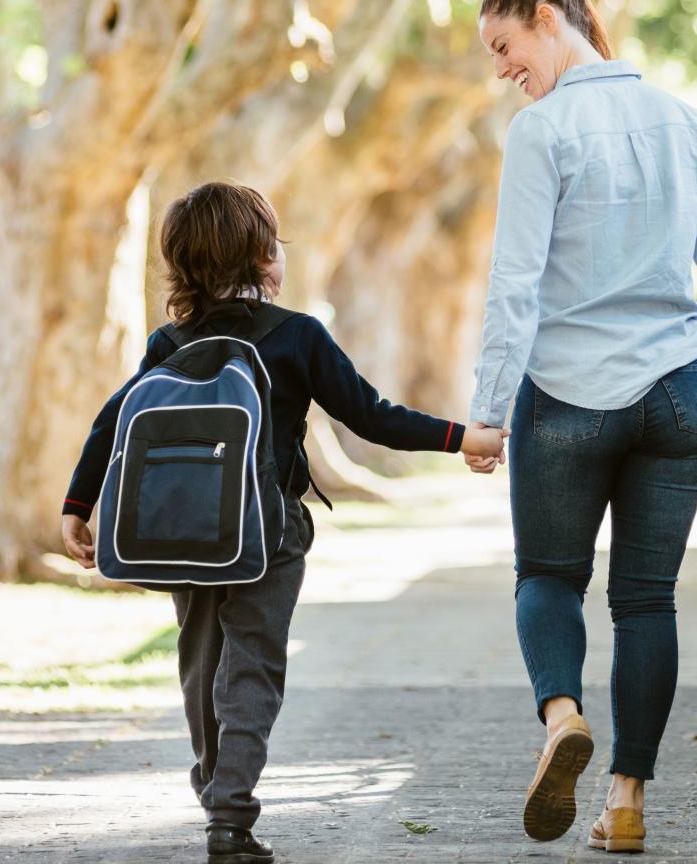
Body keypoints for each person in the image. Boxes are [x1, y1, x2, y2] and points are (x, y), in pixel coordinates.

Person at [60, 183, 507, 864]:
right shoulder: (297, 336)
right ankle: (230, 817)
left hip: (187, 530)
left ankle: (215, 790)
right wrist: (461, 438)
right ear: (265, 256)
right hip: (267, 533)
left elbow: (112, 420)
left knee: (200, 662)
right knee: (253, 668)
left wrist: (77, 505)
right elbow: (372, 415)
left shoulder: (170, 340)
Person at [467, 0, 697, 853]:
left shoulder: (543, 131)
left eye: (505, 43)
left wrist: (487, 410)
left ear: (549, 16)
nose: (501, 68)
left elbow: (514, 285)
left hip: (566, 396)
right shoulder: (682, 119)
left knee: (548, 578)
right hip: (678, 391)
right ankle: (626, 800)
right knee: (647, 603)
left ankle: (562, 717)